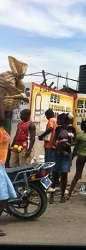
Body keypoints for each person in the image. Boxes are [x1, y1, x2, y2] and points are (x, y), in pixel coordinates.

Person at [50, 113, 76, 204]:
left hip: (67, 154)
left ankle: (62, 195)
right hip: (58, 153)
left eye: (67, 122)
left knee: (64, 175)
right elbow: (53, 142)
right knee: (55, 175)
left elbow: (75, 141)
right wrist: (61, 150)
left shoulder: (72, 129)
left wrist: (70, 144)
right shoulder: (58, 129)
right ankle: (51, 195)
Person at [0, 92, 17, 237]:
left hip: (1, 165)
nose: (6, 116)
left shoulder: (2, 130)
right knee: (3, 197)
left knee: (5, 197)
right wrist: (0, 97)